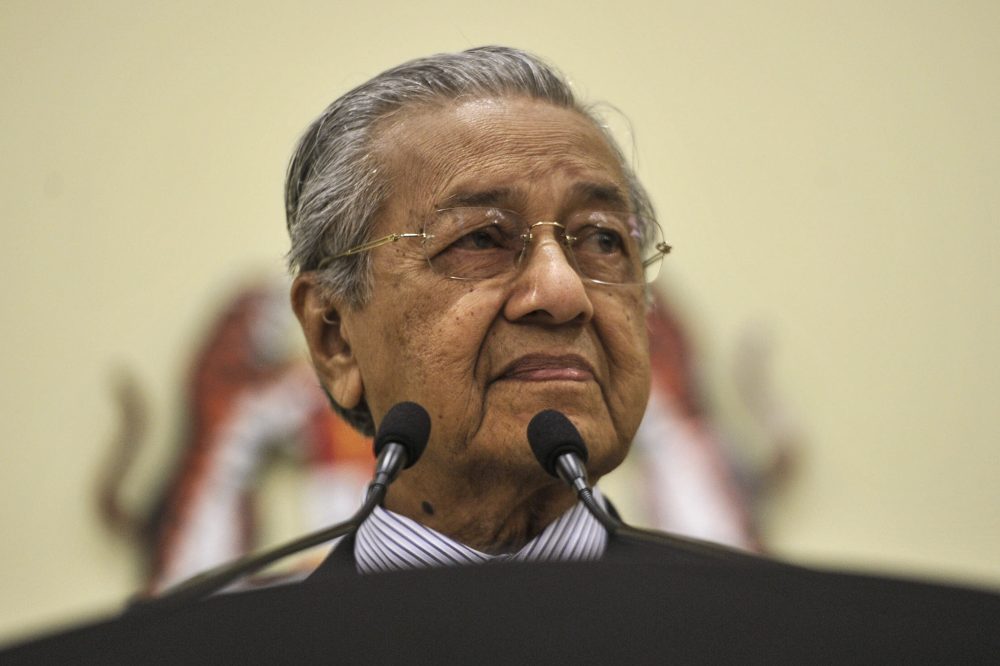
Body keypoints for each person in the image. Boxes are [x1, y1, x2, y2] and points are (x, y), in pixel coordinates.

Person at [286, 45, 737, 574]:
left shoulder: (770, 636)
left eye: (601, 239)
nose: (563, 292)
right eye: (480, 239)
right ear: (334, 337)